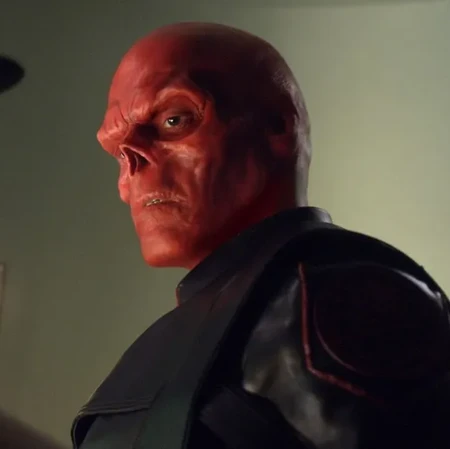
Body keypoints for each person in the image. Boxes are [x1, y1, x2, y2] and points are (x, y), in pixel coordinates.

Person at [71, 23, 450, 449]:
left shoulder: (330, 300)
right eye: (119, 153)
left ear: (277, 126)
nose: (133, 172)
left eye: (174, 120)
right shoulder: (219, 315)